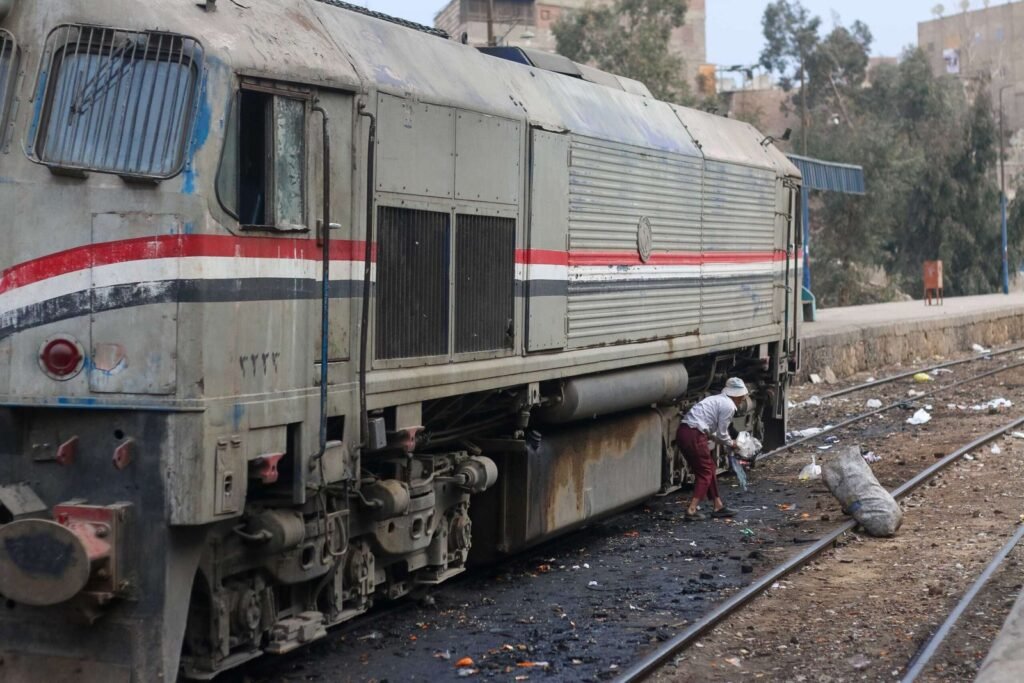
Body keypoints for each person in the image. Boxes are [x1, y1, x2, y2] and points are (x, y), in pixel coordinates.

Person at [676, 377, 749, 521]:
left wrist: (728, 442)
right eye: (742, 396)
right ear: (738, 395)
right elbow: (722, 434)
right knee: (706, 471)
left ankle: (718, 505)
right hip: (694, 434)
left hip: (685, 432)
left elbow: (714, 433)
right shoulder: (728, 406)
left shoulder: (717, 400)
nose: (743, 399)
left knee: (709, 467)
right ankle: (691, 510)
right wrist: (733, 444)